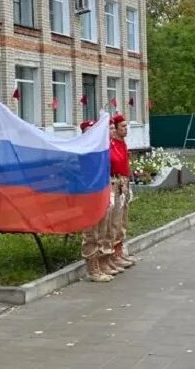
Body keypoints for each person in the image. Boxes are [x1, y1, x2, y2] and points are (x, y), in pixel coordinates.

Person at [79, 119, 115, 283]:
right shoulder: (82, 152)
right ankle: (92, 269)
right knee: (90, 232)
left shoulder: (99, 151)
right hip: (88, 196)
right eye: (89, 131)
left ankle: (100, 263)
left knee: (102, 230)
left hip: (101, 193)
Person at [109, 114, 139, 269]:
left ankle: (119, 250)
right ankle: (112, 253)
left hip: (124, 182)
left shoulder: (122, 143)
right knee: (115, 220)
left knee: (123, 220)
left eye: (126, 126)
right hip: (115, 182)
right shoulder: (111, 144)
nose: (126, 129)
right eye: (123, 127)